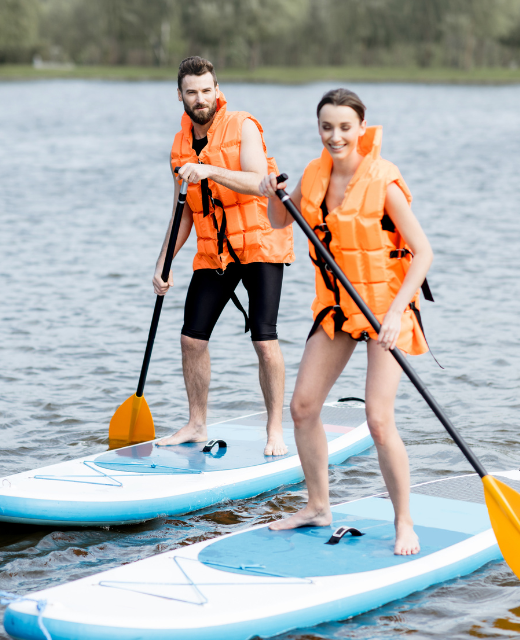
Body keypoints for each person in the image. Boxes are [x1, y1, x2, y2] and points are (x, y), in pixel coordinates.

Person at [258, 88, 433, 555]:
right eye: (326, 127)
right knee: (302, 407)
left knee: (377, 419)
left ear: (361, 128)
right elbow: (279, 220)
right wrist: (272, 192)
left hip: (385, 311)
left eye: (344, 127)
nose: (335, 136)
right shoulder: (314, 175)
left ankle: (404, 523)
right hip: (338, 310)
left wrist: (396, 314)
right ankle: (318, 506)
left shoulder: (384, 181)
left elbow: (424, 253)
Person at [153, 56, 295, 456]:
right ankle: (197, 424)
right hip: (215, 251)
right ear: (179, 95)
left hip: (260, 244)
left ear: (217, 89)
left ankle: (275, 431)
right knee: (190, 338)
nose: (201, 99)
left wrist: (209, 169)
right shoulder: (179, 147)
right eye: (191, 92)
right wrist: (163, 263)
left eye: (207, 90)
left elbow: (257, 183)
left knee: (264, 340)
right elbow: (183, 211)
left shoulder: (243, 125)